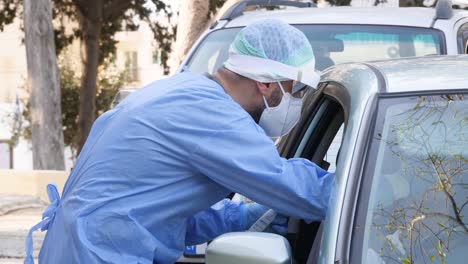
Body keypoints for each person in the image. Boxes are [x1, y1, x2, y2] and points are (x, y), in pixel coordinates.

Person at [25, 19, 334, 264]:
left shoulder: (185, 91)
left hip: (79, 246)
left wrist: (238, 216)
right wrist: (368, 196)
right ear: (267, 83)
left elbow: (159, 207)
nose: (297, 101)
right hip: (101, 253)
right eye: (296, 90)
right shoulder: (214, 116)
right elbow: (289, 184)